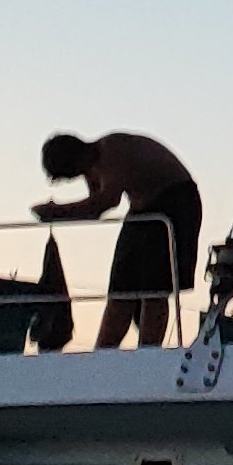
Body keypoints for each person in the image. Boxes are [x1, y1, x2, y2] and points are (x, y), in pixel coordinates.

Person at [34, 130, 202, 349]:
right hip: (142, 209)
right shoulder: (91, 166)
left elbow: (105, 202)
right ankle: (104, 352)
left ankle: (149, 351)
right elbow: (96, 207)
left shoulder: (113, 150)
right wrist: (58, 213)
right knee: (121, 288)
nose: (76, 177)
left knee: (155, 289)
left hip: (175, 204)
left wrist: (57, 212)